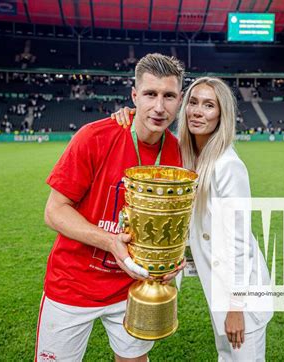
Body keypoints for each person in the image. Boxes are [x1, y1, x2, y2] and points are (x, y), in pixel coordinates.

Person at [36, 53, 186, 362]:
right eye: (150, 94)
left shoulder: (176, 153)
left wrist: (168, 261)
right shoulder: (94, 137)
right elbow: (54, 211)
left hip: (131, 288)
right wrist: (110, 243)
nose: (159, 107)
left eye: (168, 96)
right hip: (73, 285)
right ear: (134, 95)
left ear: (179, 99)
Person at [113, 77, 273, 361]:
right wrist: (127, 115)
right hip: (218, 286)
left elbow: (239, 243)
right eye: (194, 103)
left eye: (209, 105)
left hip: (242, 293)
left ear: (221, 114)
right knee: (227, 356)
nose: (198, 111)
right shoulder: (186, 157)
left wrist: (236, 308)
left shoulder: (228, 166)